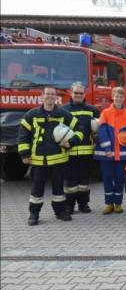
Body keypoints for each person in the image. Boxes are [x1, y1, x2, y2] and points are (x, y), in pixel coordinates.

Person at [18, 87, 83, 225]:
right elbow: (23, 136)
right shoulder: (31, 115)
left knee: (58, 189)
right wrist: (24, 153)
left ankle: (60, 212)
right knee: (36, 190)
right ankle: (34, 214)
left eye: (53, 94)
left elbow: (79, 129)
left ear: (56, 97)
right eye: (47, 94)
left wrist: (71, 142)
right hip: (38, 160)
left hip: (59, 159)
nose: (50, 97)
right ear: (42, 96)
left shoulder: (63, 114)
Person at [94, 87, 126, 215]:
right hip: (106, 155)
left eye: (121, 97)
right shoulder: (105, 113)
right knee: (107, 179)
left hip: (122, 155)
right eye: (116, 96)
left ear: (124, 98)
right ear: (112, 97)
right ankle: (108, 204)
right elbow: (102, 132)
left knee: (119, 180)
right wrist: (107, 149)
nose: (118, 99)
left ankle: (118, 204)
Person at [62, 82, 100, 214]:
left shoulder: (92, 110)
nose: (78, 95)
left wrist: (97, 134)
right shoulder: (63, 110)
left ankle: (83, 204)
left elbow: (98, 129)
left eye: (81, 93)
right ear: (70, 93)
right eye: (76, 93)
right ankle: (69, 205)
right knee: (70, 180)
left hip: (86, 151)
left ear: (85, 94)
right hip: (69, 151)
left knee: (84, 180)